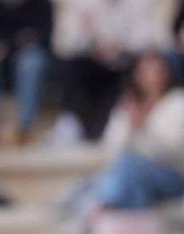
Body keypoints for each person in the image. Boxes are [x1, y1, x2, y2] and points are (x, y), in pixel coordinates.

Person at [91, 52, 184, 214]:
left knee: (129, 169)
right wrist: (130, 127)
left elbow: (173, 153)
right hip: (132, 173)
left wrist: (143, 126)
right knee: (128, 176)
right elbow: (110, 149)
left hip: (176, 175)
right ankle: (118, 216)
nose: (152, 76)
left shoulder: (180, 102)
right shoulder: (129, 104)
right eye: (146, 71)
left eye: (158, 70)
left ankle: (106, 209)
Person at [50, 0, 162, 143]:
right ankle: (68, 121)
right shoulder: (84, 4)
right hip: (93, 62)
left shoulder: (140, 3)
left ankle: (119, 122)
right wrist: (91, 38)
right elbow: (67, 43)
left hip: (125, 64)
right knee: (68, 64)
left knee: (141, 65)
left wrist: (119, 46)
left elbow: (148, 39)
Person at [0, 0, 54, 147]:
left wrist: (4, 47)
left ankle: (25, 128)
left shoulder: (42, 5)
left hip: (33, 75)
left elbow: (45, 44)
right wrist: (17, 42)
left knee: (32, 61)